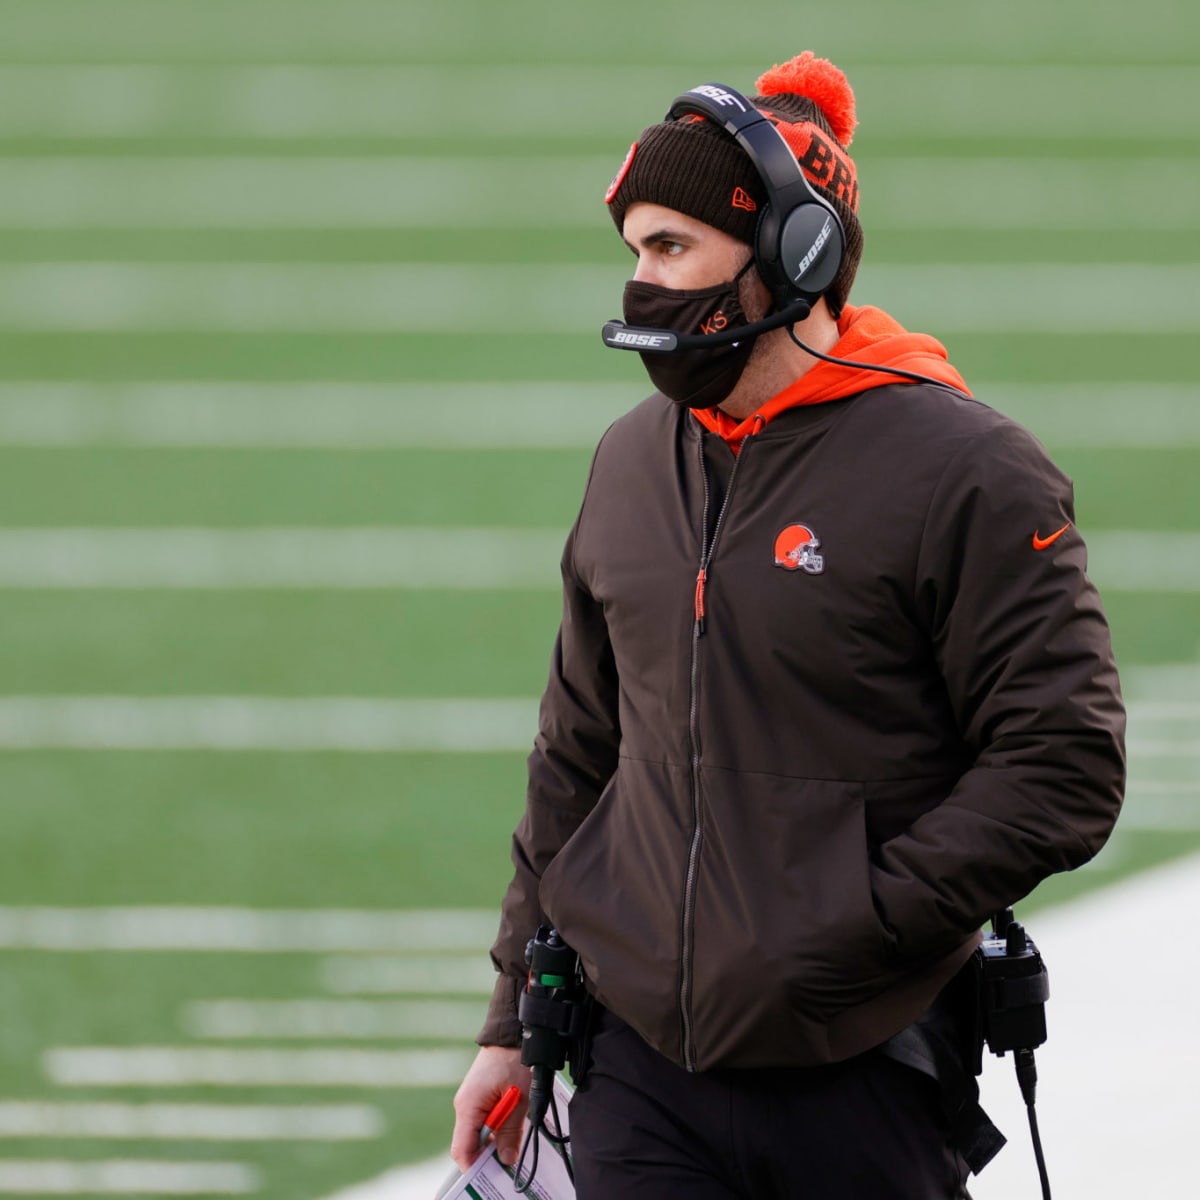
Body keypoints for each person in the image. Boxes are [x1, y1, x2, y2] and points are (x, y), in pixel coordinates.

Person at [449, 50, 1125, 1199]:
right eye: (634, 253)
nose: (642, 285)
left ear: (791, 257)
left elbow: (1064, 763)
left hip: (862, 1068)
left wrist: (849, 926)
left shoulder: (967, 472)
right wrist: (513, 1015)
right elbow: (578, 753)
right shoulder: (629, 463)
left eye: (672, 248)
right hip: (639, 1072)